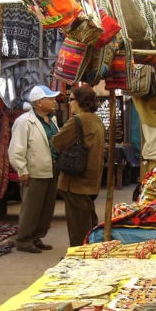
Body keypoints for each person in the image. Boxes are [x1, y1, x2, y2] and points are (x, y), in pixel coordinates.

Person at [8, 85, 61, 253]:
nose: (54, 102)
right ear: (39, 102)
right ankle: (24, 240)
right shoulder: (24, 121)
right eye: (50, 99)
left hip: (51, 168)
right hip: (34, 171)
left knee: (46, 208)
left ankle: (36, 237)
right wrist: (22, 170)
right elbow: (16, 148)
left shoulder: (52, 120)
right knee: (31, 208)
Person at [52, 85, 105, 247]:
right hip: (91, 179)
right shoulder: (97, 120)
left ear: (80, 101)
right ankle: (89, 251)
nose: (70, 103)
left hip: (76, 180)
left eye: (71, 99)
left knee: (78, 225)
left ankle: (79, 254)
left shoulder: (78, 120)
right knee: (88, 220)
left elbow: (57, 141)